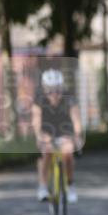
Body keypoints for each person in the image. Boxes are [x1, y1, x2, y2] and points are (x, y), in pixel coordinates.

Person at [32, 69, 82, 203]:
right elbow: (36, 121)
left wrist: (77, 135)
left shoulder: (70, 98)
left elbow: (76, 120)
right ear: (44, 89)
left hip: (65, 132)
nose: (54, 94)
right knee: (47, 151)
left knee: (68, 153)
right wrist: (39, 136)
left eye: (57, 90)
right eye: (50, 90)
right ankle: (42, 187)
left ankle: (70, 185)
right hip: (46, 131)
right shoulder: (39, 99)